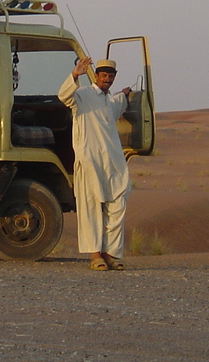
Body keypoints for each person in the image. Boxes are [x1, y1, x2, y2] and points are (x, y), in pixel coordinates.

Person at [58, 54, 131, 271]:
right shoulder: (82, 95)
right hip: (90, 160)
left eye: (110, 76)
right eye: (104, 75)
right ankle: (94, 255)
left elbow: (120, 101)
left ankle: (111, 254)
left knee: (117, 204)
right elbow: (63, 96)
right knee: (90, 206)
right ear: (96, 76)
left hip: (113, 161)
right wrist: (75, 74)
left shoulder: (111, 101)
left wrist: (126, 94)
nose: (107, 79)